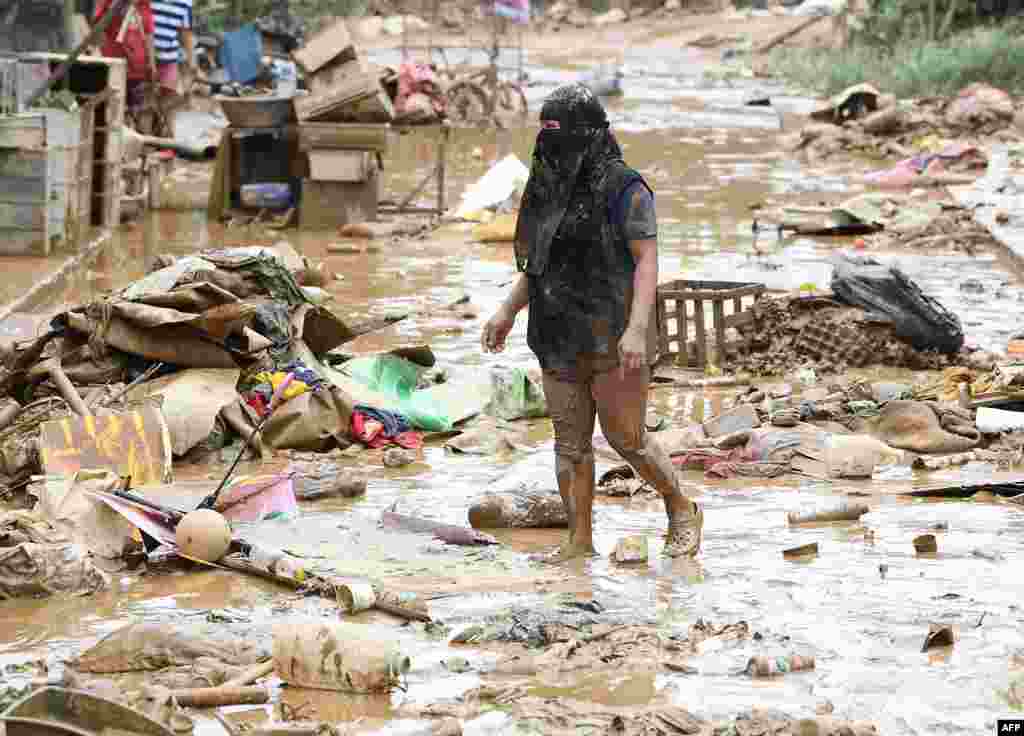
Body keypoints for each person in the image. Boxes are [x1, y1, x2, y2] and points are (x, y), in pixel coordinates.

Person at [481, 83, 703, 560]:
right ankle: (579, 542)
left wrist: (638, 328)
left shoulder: (626, 187)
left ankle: (681, 507)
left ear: (590, 135)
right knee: (570, 443)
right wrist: (506, 310)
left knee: (628, 439)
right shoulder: (546, 188)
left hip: (616, 330)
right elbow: (537, 267)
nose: (552, 148)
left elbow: (647, 260)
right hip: (557, 331)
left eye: (562, 137)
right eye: (547, 137)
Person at [152, 0, 195, 95]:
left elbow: (186, 32)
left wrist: (191, 61)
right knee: (143, 101)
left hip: (169, 58)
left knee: (169, 98)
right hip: (144, 58)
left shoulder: (186, 2)